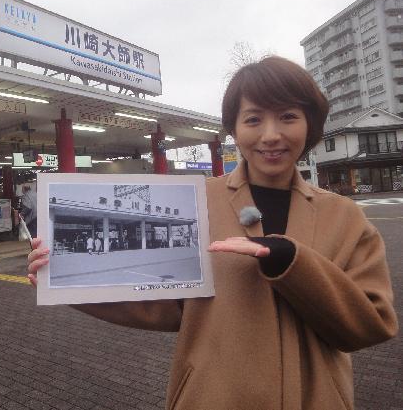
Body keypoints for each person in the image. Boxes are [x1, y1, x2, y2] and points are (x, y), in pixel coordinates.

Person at [27, 56, 398, 410]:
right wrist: (62, 278)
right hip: (213, 395)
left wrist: (293, 262)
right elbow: (166, 305)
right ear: (234, 128)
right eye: (253, 119)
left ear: (310, 125)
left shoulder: (344, 216)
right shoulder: (198, 200)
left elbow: (371, 324)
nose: (270, 135)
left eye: (288, 117)